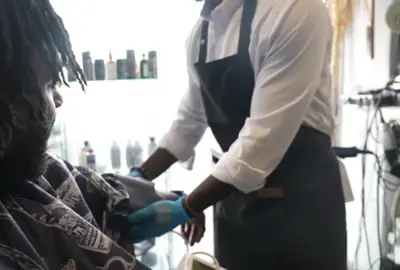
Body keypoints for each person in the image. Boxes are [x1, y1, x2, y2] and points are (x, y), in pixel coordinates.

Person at [0, 1, 149, 269]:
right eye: (49, 84)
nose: (59, 99)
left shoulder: (13, 173)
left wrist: (184, 205)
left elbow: (112, 192)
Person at [127, 0, 347, 269]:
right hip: (236, 208)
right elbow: (189, 121)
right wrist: (138, 178)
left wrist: (185, 207)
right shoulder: (201, 34)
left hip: (301, 212)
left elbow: (261, 139)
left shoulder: (295, 10)